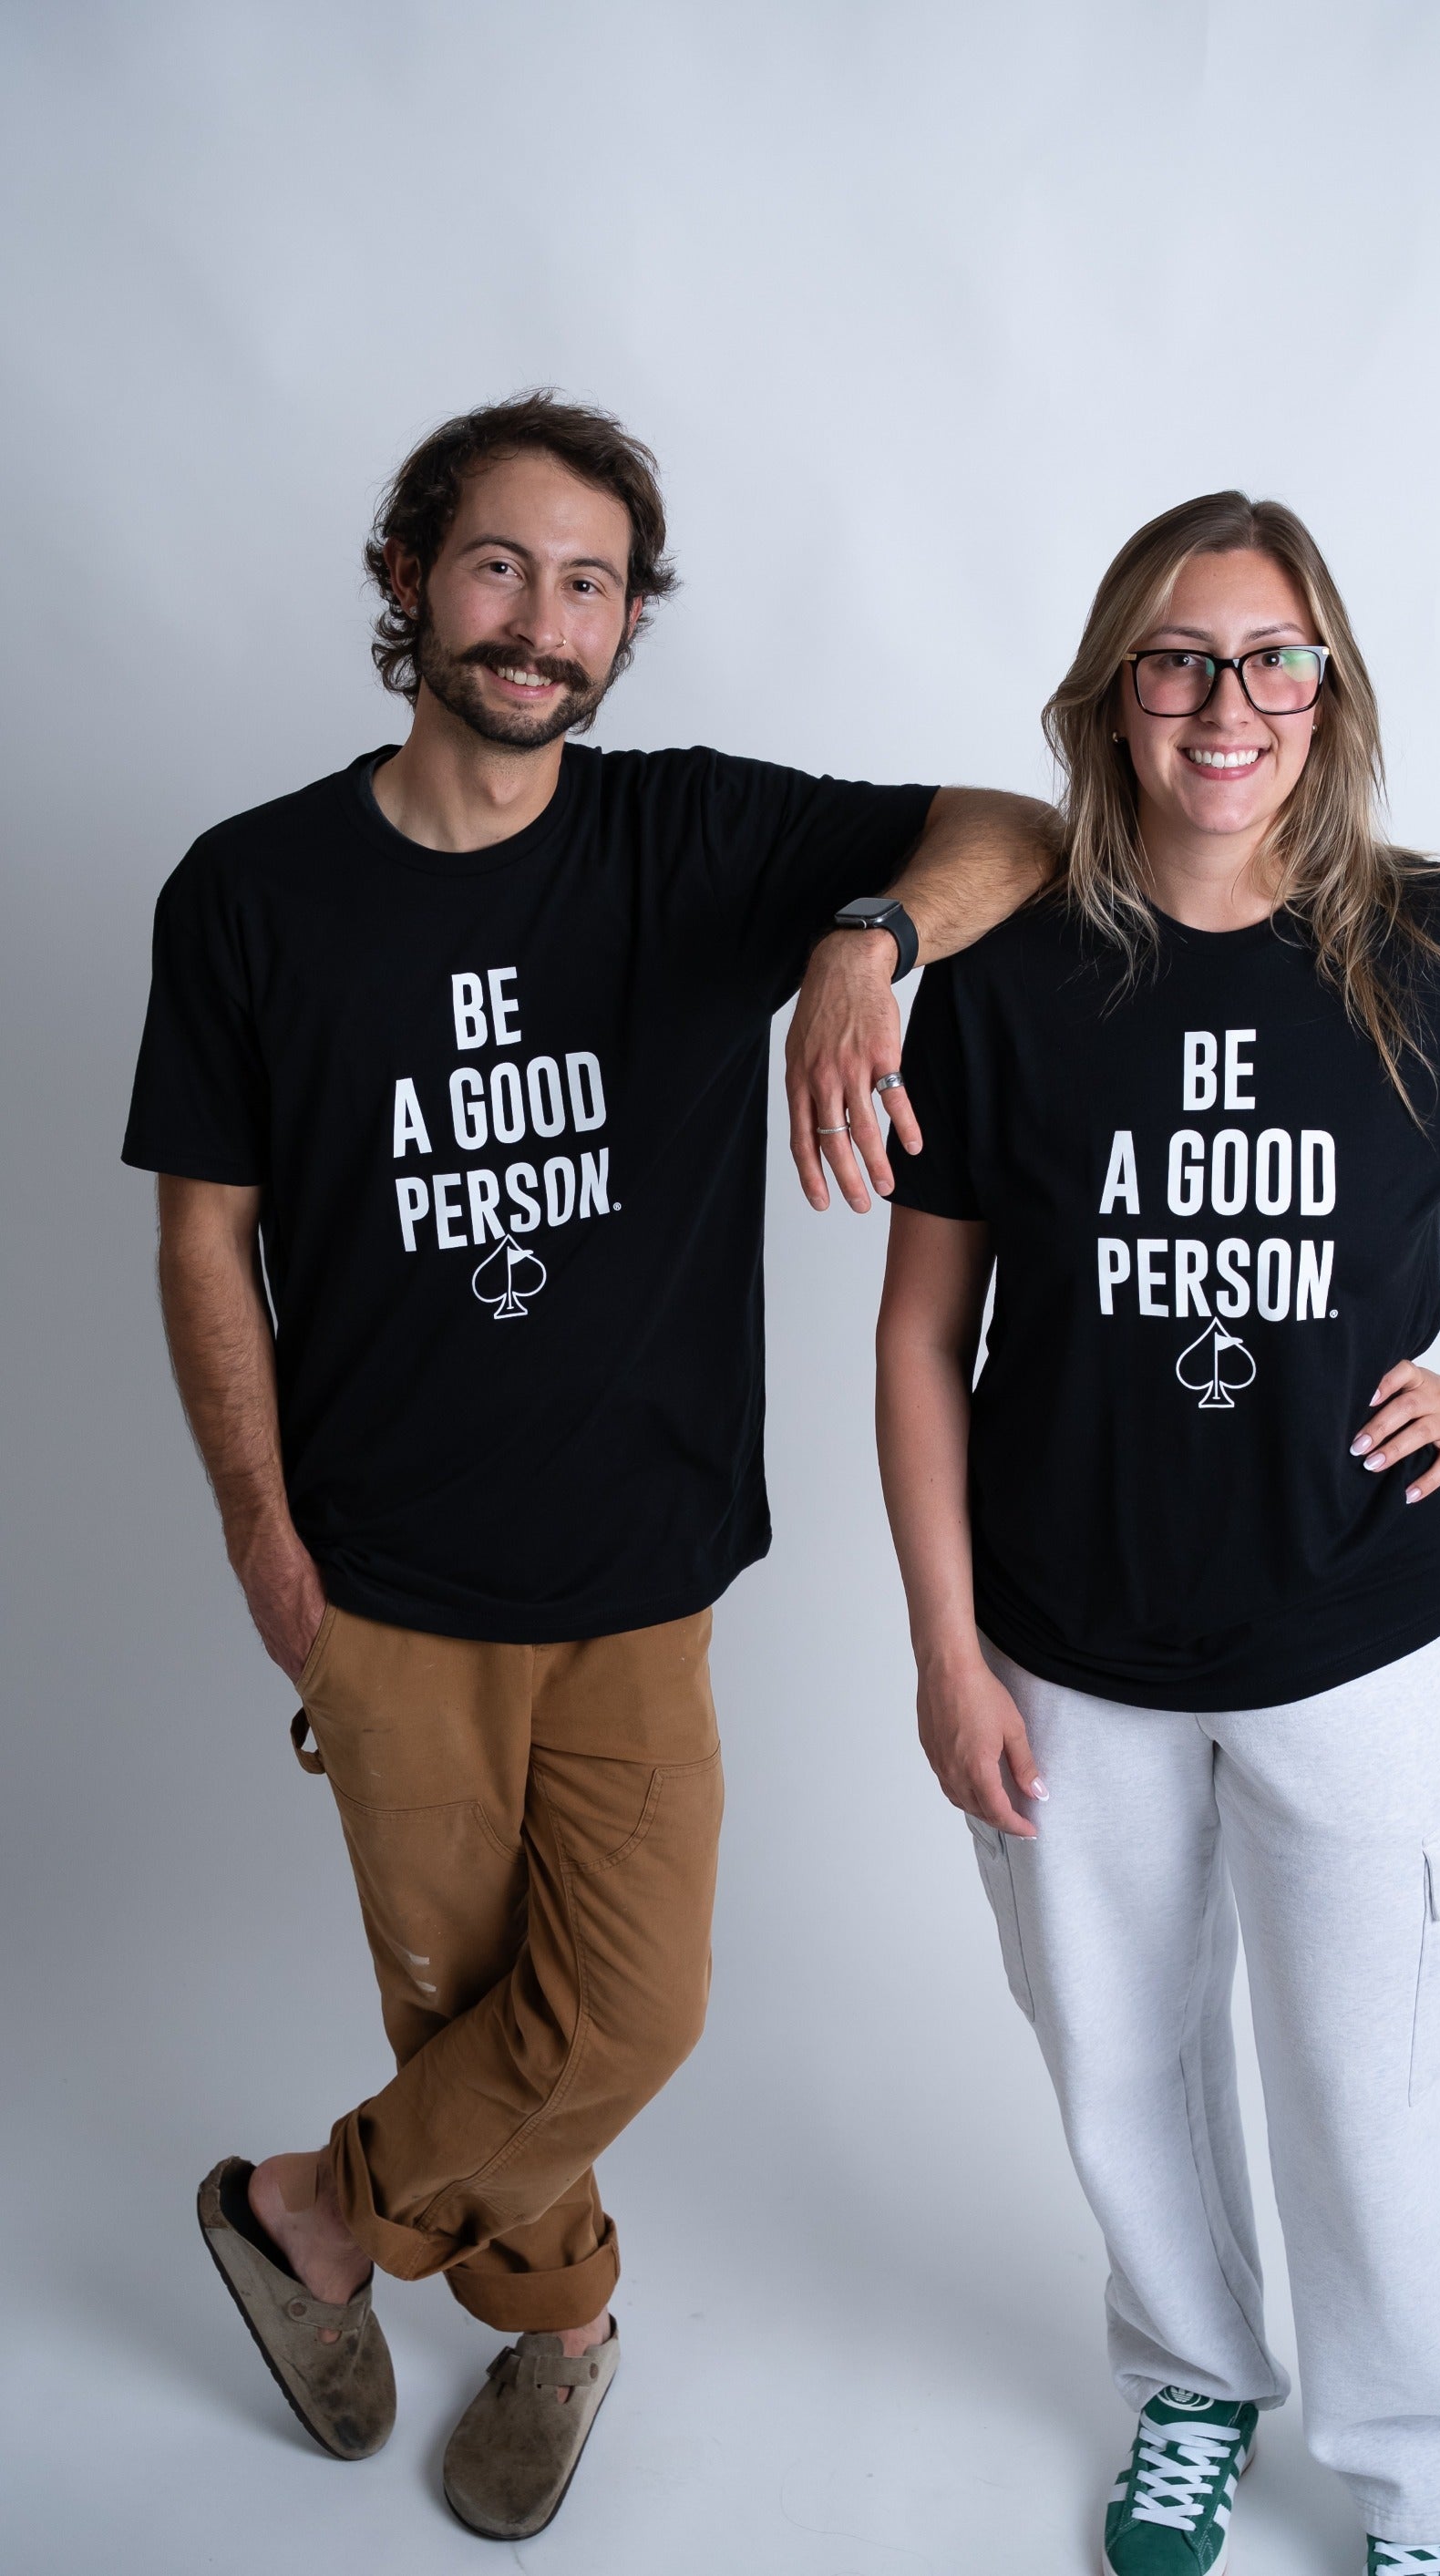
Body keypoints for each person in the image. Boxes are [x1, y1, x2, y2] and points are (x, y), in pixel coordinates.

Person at [122, 391, 1055, 2542]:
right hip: (378, 1582)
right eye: (496, 567)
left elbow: (1008, 826)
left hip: (636, 1573)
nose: (540, 622)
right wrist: (259, 1536)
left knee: (625, 2004)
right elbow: (201, 1227)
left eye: (589, 584)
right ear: (405, 580)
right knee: (461, 2005)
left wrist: (866, 939)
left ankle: (302, 2214)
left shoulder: (689, 843)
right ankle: (558, 2332)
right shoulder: (250, 889)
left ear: (628, 623)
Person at [874, 491, 1440, 2576]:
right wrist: (944, 1648)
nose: (1223, 702)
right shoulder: (1008, 974)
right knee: (1119, 2073)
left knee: (1370, 2092)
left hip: (1349, 1638)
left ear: (1326, 696)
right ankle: (1190, 2381)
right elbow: (919, 1332)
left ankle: (1417, 2475)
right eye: (1175, 658)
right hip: (1065, 1651)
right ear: (1108, 697)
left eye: (1271, 658)